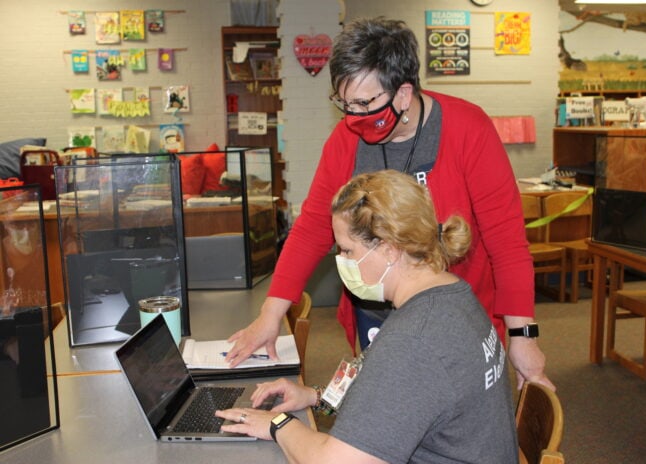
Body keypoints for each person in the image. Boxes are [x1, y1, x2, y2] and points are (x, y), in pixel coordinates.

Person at [226, 16, 554, 391]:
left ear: (403, 92)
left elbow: (507, 241)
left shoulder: (467, 128)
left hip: (456, 319)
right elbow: (312, 228)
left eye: (365, 103)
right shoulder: (345, 139)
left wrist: (523, 335)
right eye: (345, 102)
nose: (353, 117)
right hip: (376, 314)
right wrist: (271, 314)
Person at [216, 170, 519, 463]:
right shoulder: (455, 295)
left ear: (388, 249)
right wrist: (314, 397)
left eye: (347, 250)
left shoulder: (415, 339)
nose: (341, 261)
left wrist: (277, 424)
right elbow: (412, 396)